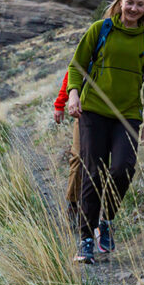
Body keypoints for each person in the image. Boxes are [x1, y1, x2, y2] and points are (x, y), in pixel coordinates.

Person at [66, 0, 144, 264]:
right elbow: (76, 65)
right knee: (92, 173)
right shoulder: (100, 29)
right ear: (120, 2)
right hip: (93, 111)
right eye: (129, 2)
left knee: (122, 169)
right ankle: (85, 240)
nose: (133, 8)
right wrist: (73, 95)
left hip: (128, 115)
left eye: (140, 4)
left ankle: (104, 221)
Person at [53, 72, 82, 215]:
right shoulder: (91, 49)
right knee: (79, 156)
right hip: (85, 112)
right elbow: (73, 73)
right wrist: (60, 103)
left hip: (117, 114)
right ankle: (73, 203)